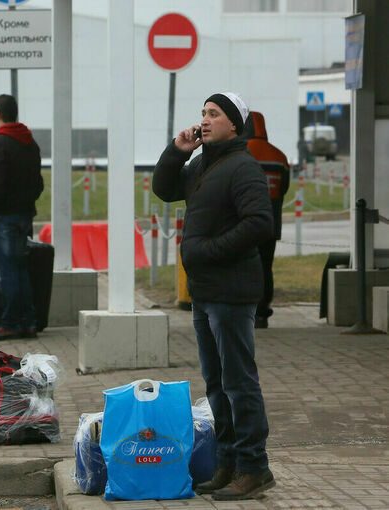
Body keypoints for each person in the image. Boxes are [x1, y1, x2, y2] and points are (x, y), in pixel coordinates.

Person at [152, 92, 275, 501]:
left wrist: (210, 252)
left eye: (214, 114)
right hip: (206, 293)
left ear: (234, 125)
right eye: (202, 113)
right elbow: (165, 189)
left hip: (232, 291)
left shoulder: (244, 167)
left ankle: (254, 468)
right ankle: (227, 463)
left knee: (239, 383)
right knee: (216, 383)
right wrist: (176, 150)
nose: (204, 120)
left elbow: (259, 223)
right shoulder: (202, 163)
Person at [0, 94, 44, 341]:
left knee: (8, 271)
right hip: (24, 214)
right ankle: (28, 322)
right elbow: (38, 183)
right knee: (20, 270)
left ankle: (10, 323)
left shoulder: (0, 145)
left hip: (3, 217)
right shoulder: (29, 143)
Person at [245, 111, 291, 329]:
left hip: (244, 222)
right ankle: (262, 312)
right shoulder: (279, 156)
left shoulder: (240, 154)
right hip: (271, 222)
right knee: (265, 267)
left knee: (243, 267)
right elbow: (283, 189)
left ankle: (246, 311)